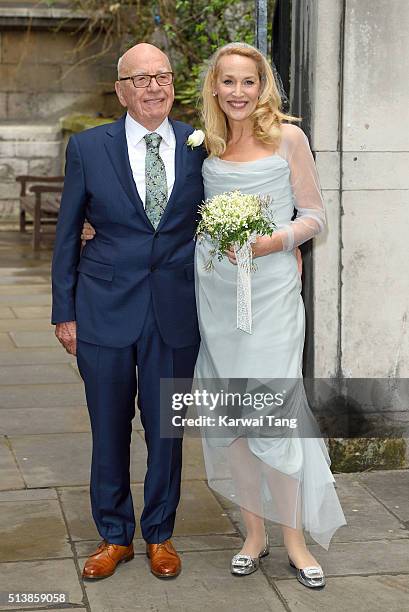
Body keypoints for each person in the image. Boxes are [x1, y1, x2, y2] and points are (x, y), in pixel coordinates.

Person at [81, 41, 346, 590]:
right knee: (234, 420)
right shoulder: (206, 143)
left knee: (272, 412)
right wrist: (98, 230)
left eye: (248, 81)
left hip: (270, 297)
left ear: (262, 85)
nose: (239, 92)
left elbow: (315, 215)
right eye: (228, 82)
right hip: (215, 297)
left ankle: (294, 540)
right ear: (214, 88)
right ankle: (254, 535)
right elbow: (172, 216)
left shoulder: (287, 138)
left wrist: (277, 241)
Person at [51, 43, 206, 581]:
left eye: (162, 76)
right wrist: (63, 311)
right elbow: (68, 232)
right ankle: (113, 536)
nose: (154, 87)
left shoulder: (199, 145)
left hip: (175, 310)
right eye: (140, 79)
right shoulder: (88, 148)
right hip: (103, 308)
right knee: (109, 427)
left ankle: (160, 534)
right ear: (120, 90)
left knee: (167, 430)